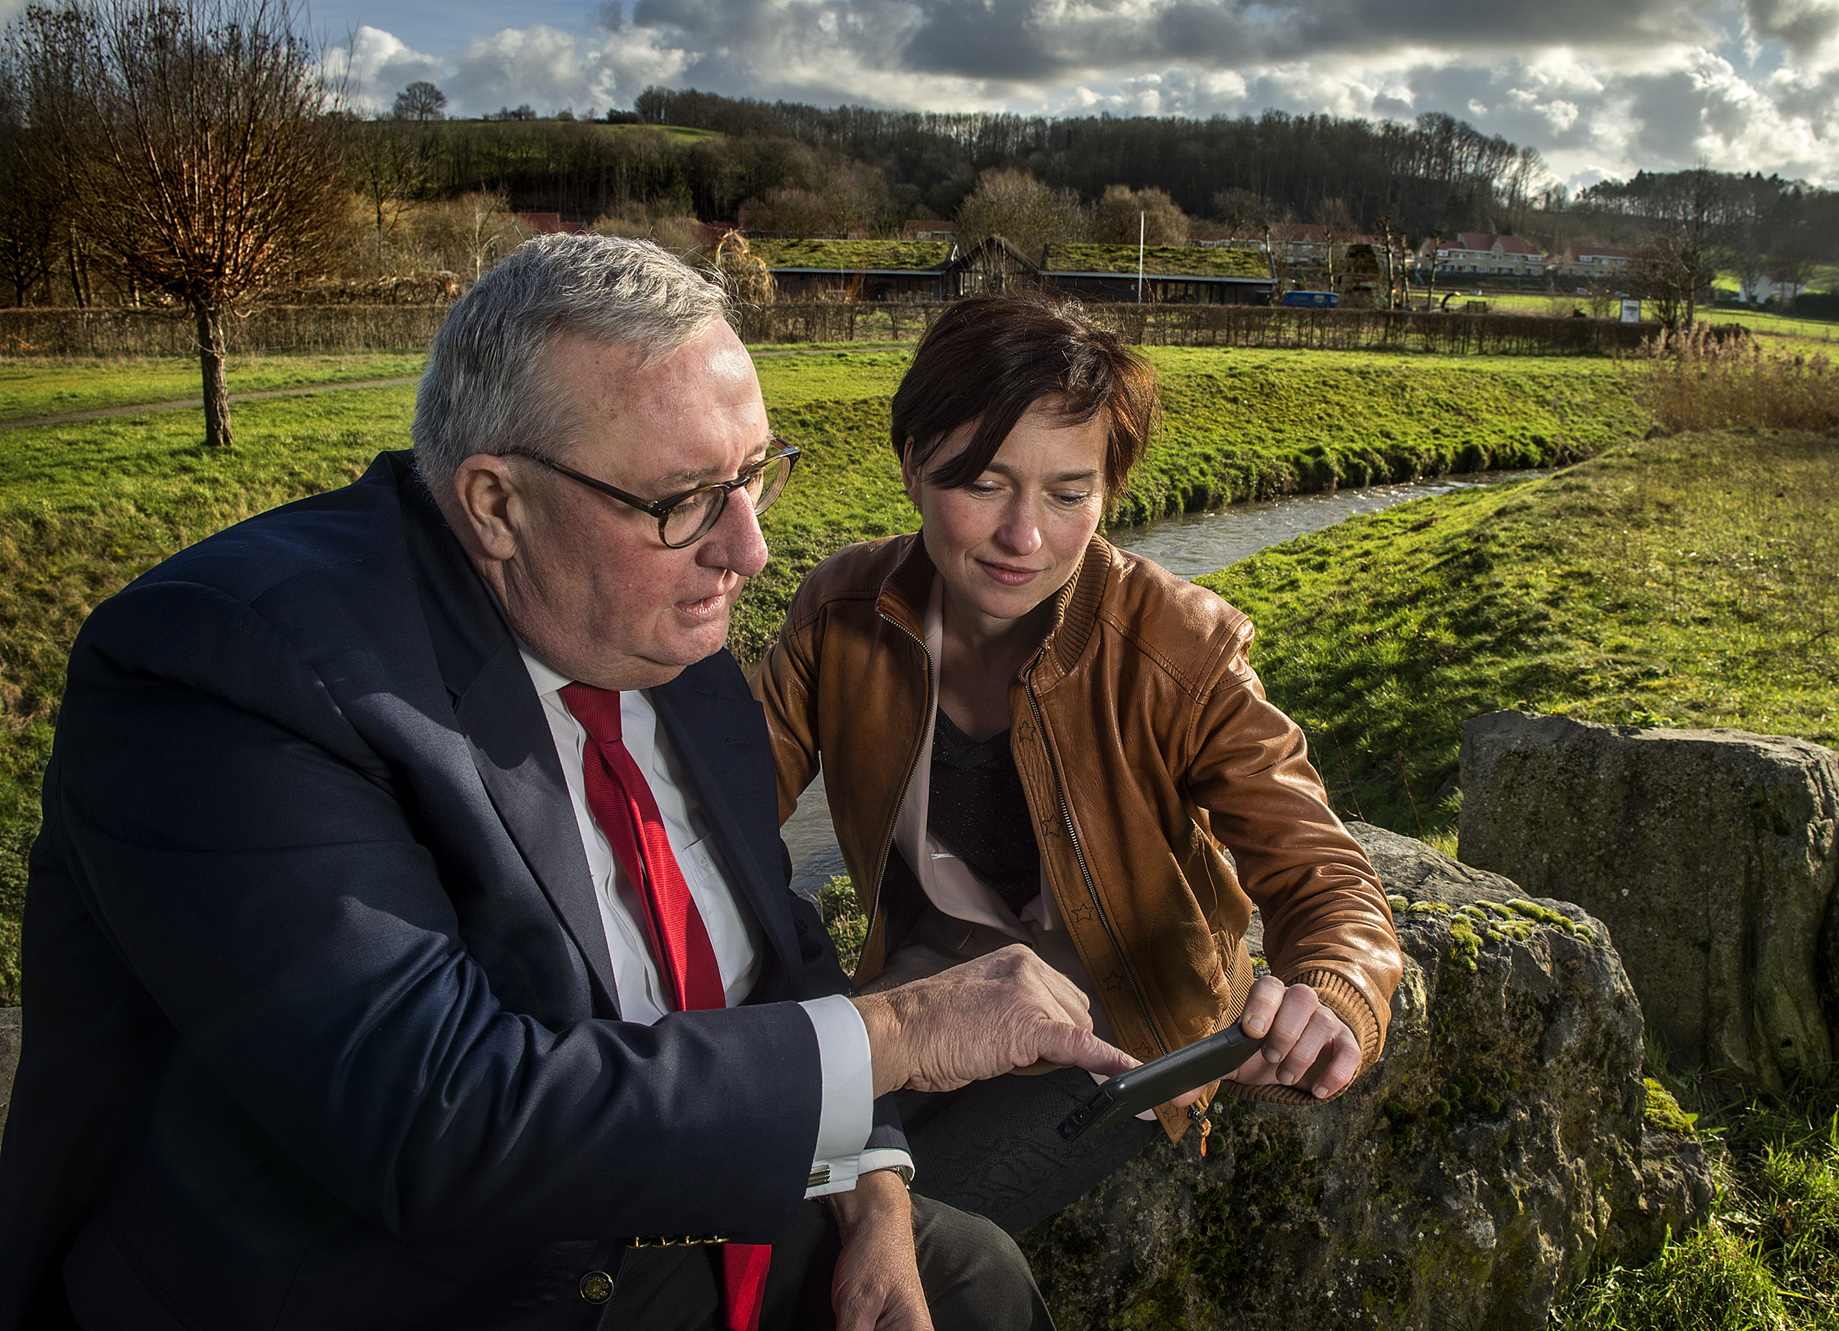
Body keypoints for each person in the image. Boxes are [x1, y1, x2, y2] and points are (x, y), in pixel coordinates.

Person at [0, 238, 1137, 1331]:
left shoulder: (654, 626)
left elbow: (773, 949)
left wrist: (876, 1194)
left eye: (754, 476)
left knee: (968, 1279)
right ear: (495, 504)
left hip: (677, 1212)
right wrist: (900, 1027)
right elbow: (440, 1118)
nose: (747, 550)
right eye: (684, 499)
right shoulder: (228, 673)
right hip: (421, 1287)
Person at [755, 295, 1405, 1234]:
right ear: (911, 465)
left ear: (1109, 489)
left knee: (897, 1231)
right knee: (756, 1188)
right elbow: (716, 830)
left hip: (1119, 1043)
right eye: (982, 483)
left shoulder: (1181, 646)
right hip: (926, 997)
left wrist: (1335, 992)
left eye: (1068, 494)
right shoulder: (838, 610)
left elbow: (1325, 876)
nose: (1025, 537)